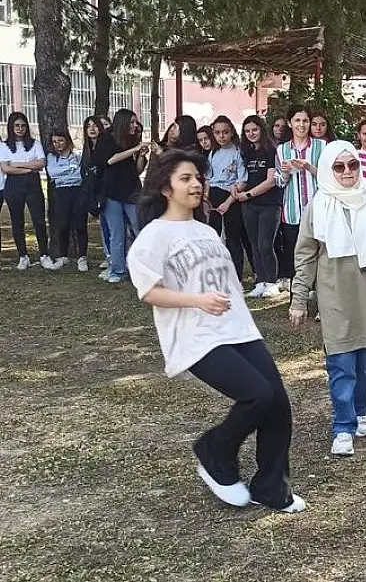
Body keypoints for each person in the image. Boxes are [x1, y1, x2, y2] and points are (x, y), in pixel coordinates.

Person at [127, 149, 304, 513]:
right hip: (197, 336)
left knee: (278, 404)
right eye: (185, 179)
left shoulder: (206, 230)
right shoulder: (154, 236)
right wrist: (197, 300)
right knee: (257, 395)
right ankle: (215, 450)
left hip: (238, 329)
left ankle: (272, 488)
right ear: (166, 188)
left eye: (198, 178)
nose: (196, 184)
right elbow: (149, 291)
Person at [290, 140, 366, 455]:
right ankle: (343, 427)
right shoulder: (319, 204)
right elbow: (305, 255)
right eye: (339, 167)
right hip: (335, 293)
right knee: (342, 362)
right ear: (328, 169)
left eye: (352, 165)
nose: (347, 172)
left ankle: (360, 411)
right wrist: (299, 299)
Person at [274, 106, 324, 286]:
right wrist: (286, 173)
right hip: (292, 212)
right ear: (290, 123)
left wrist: (308, 167)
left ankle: (319, 297)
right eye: (297, 120)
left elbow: (330, 178)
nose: (301, 125)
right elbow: (279, 182)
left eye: (305, 121)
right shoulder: (282, 150)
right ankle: (297, 298)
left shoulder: (322, 146)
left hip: (318, 210)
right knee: (295, 255)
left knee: (320, 255)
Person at [2, 112, 58, 270]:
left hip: (33, 185)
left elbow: (41, 163)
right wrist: (28, 168)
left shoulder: (35, 144)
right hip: (14, 186)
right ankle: (23, 256)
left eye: (23, 125)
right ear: (11, 127)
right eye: (17, 125)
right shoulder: (4, 146)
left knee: (39, 220)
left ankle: (44, 255)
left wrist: (17, 165)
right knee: (17, 221)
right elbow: (6, 168)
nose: (20, 128)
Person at [236, 115, 282, 298]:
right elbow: (244, 177)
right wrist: (237, 188)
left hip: (269, 204)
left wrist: (247, 194)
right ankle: (260, 282)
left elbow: (271, 181)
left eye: (254, 130)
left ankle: (272, 283)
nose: (251, 134)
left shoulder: (271, 150)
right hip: (249, 206)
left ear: (261, 130)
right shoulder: (245, 152)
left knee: (265, 244)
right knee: (254, 245)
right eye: (247, 131)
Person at [104, 108, 150, 283]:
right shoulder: (107, 139)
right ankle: (118, 270)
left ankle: (146, 269)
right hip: (112, 193)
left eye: (135, 122)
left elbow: (137, 170)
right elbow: (111, 160)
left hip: (132, 192)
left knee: (141, 228)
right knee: (117, 233)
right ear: (122, 123)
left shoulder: (133, 140)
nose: (135, 125)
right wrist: (135, 149)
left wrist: (140, 156)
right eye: (131, 122)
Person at [206, 115, 248, 280]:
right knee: (215, 236)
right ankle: (216, 273)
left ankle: (235, 275)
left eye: (225, 132)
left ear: (231, 132)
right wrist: (206, 198)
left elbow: (242, 180)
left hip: (231, 196)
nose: (221, 136)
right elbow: (209, 177)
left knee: (233, 237)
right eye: (217, 132)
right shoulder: (213, 152)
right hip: (214, 195)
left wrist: (229, 202)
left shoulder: (238, 152)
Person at [46, 129, 89, 271]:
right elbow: (52, 172)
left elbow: (80, 173)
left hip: (77, 189)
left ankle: (82, 257)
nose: (58, 144)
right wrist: (70, 169)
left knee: (80, 224)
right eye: (55, 142)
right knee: (63, 224)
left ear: (67, 141)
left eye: (61, 141)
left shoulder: (77, 156)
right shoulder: (52, 157)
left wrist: (65, 171)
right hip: (61, 191)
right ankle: (63, 257)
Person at [79, 116, 113, 273]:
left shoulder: (107, 145)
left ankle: (117, 258)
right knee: (104, 227)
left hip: (109, 191)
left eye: (95, 125)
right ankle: (109, 256)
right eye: (88, 126)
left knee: (114, 227)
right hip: (94, 193)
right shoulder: (86, 151)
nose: (92, 129)